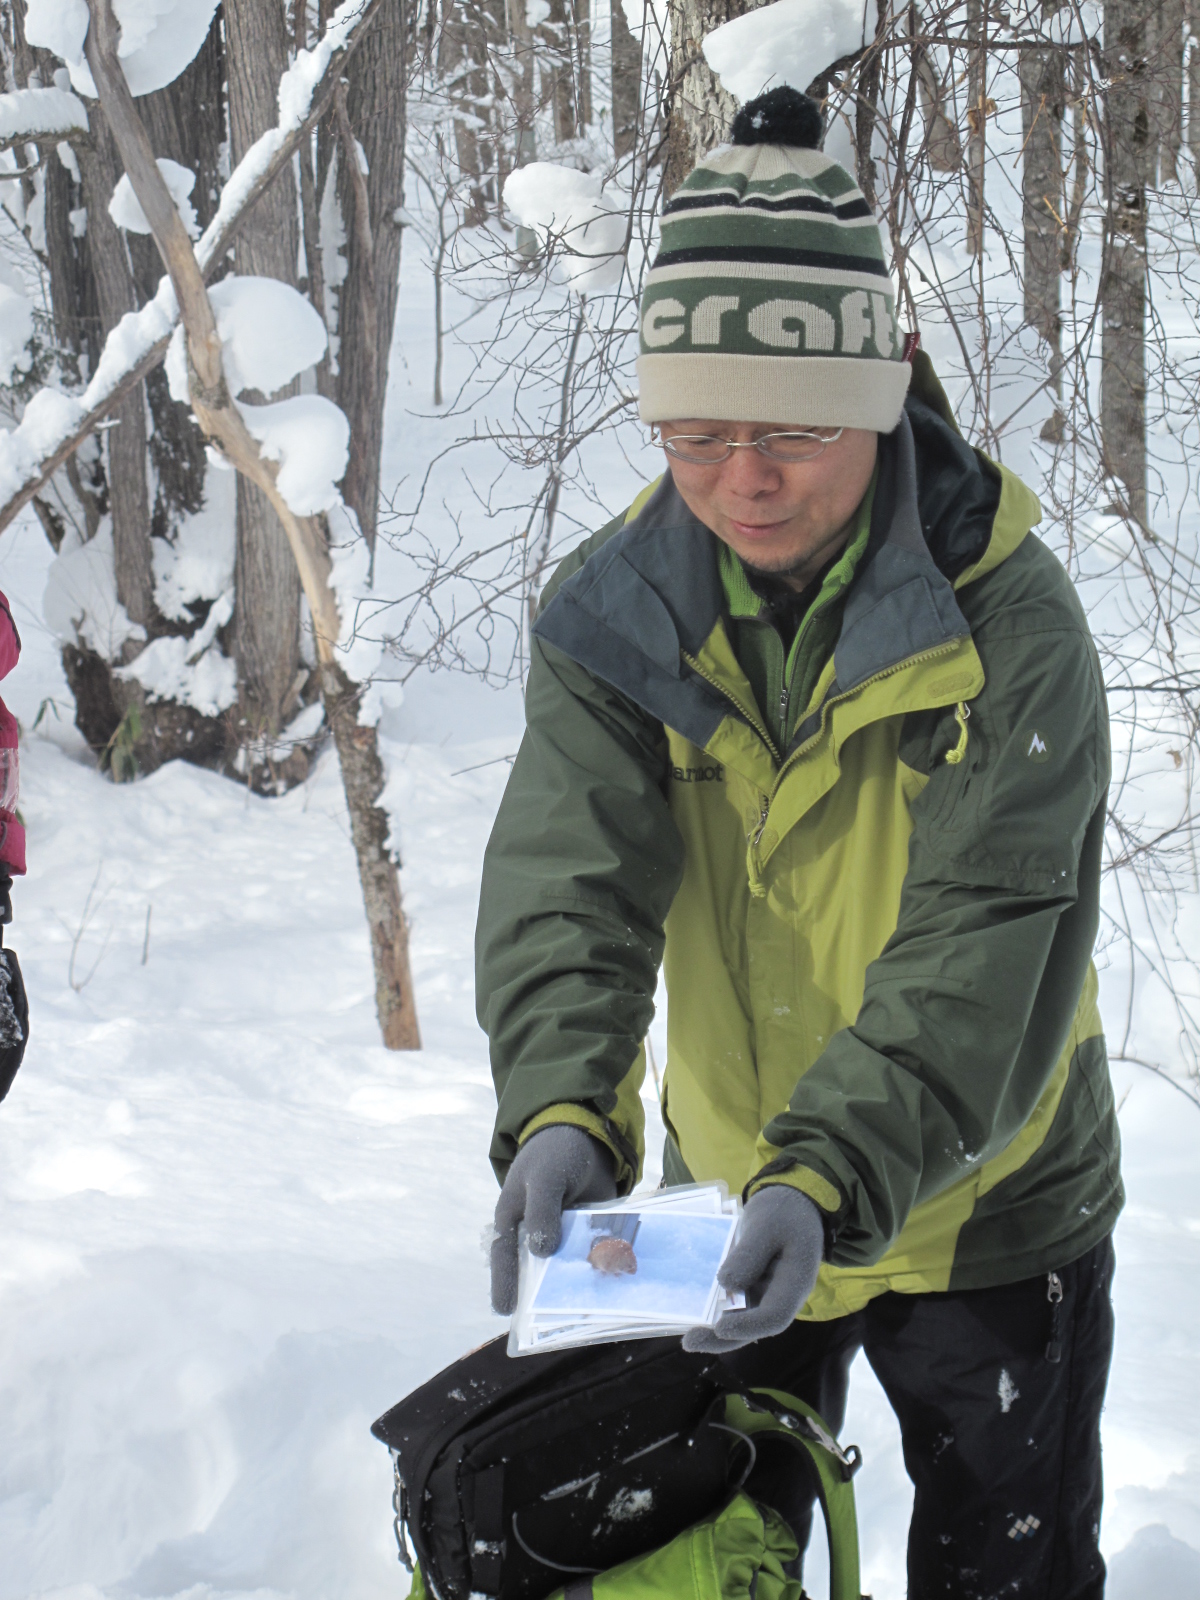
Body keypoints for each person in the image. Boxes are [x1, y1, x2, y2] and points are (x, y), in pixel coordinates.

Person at [476, 85, 1121, 1599]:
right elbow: (573, 879)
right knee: (722, 1563)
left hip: (986, 1205)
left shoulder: (1007, 623)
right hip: (728, 1195)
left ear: (884, 392)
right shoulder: (618, 613)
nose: (743, 482)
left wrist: (828, 1172)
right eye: (696, 435)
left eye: (791, 430)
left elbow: (985, 935)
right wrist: (561, 1106)